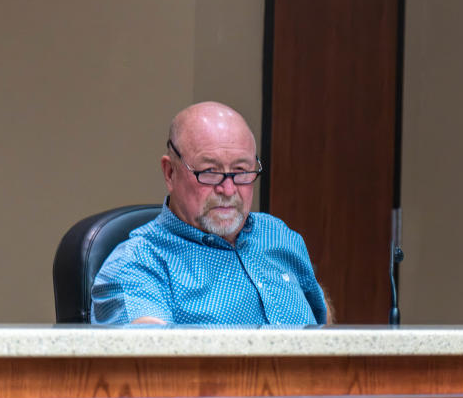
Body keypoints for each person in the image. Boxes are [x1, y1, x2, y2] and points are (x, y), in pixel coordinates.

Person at [91, 101, 329, 326]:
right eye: (210, 171)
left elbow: (323, 323)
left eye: (241, 170)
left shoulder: (278, 235)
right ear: (170, 173)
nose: (228, 189)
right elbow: (152, 364)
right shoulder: (139, 262)